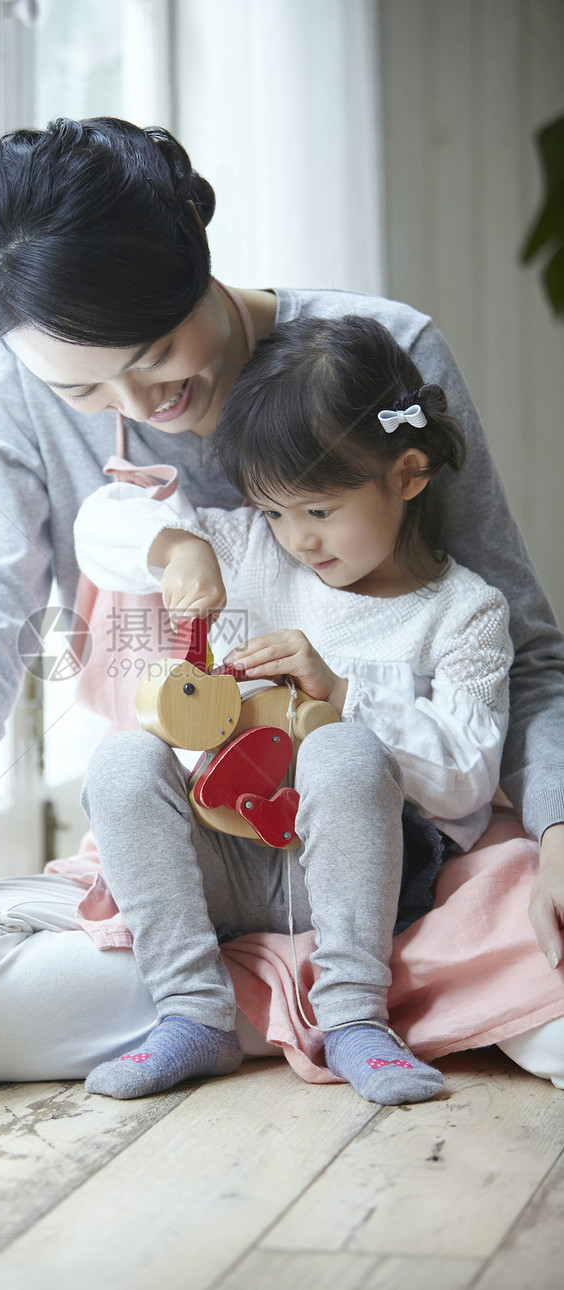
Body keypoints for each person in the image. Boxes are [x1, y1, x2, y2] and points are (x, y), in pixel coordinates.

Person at [0, 117, 564, 1088]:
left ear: (194, 231)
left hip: (391, 839)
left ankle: (318, 992)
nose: (136, 405)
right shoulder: (20, 392)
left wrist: (559, 831)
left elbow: (520, 651)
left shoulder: (378, 358)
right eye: (83, 388)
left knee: (515, 899)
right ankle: (314, 1001)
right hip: (197, 857)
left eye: (153, 350)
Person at [71, 315, 512, 1104]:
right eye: (274, 511)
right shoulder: (252, 551)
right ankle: (192, 1013)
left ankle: (353, 1019)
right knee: (123, 758)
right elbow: (97, 521)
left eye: (318, 510)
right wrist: (180, 548)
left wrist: (344, 696)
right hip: (230, 859)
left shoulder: (464, 612)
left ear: (407, 473)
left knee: (341, 752)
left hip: (357, 874)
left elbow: (467, 781)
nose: (298, 540)